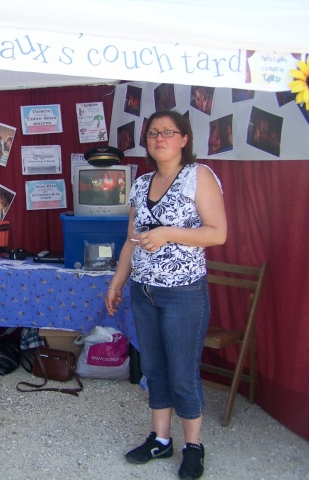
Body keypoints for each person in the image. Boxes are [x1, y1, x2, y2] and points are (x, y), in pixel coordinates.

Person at [105, 111, 226, 480]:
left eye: (168, 132)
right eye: (154, 133)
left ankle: (193, 445)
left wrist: (170, 232)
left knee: (182, 373)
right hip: (144, 291)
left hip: (183, 293)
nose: (160, 138)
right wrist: (117, 282)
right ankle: (160, 439)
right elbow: (131, 240)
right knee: (154, 368)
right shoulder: (141, 184)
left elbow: (217, 233)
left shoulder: (198, 176)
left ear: (184, 139)